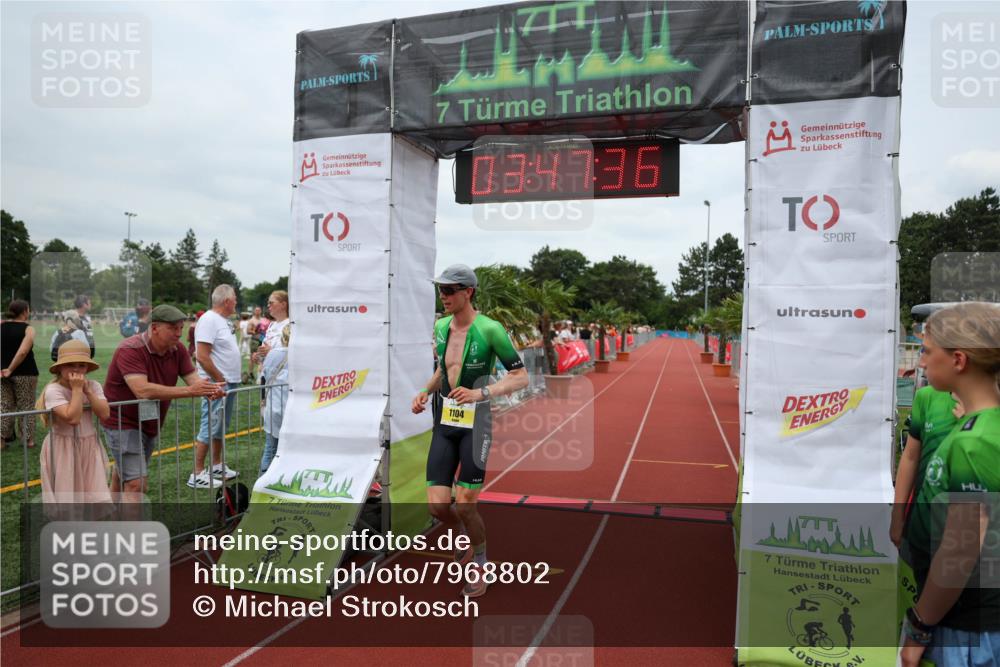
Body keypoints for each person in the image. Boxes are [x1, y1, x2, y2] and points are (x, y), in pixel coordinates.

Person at [411, 264, 529, 598]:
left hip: (476, 424)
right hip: (445, 422)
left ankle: (480, 562)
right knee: (437, 507)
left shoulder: (490, 329)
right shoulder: (441, 326)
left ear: (469, 292)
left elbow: (521, 377)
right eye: (440, 290)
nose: (443, 296)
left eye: (449, 290)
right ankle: (463, 532)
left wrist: (481, 392)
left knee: (464, 503)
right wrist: (425, 391)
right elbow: (443, 369)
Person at [900, 302, 1000, 667]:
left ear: (959, 360)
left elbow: (959, 553)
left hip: (971, 628)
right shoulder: (974, 427)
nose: (922, 362)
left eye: (927, 352)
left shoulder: (975, 441)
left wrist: (918, 627)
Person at [101, 304, 224, 498]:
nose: (179, 333)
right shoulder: (130, 349)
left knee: (125, 472)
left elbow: (194, 379)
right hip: (122, 421)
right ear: (155, 327)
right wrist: (191, 390)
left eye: (181, 328)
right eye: (173, 328)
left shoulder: (178, 350)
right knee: (136, 483)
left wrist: (209, 389)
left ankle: (107, 512)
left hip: (150, 421)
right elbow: (142, 390)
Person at [39, 339, 111, 508]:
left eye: (81, 365)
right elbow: (73, 419)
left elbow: (105, 414)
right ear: (59, 367)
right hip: (63, 448)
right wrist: (77, 390)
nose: (76, 369)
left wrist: (88, 392)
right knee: (68, 496)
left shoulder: (93, 385)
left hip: (89, 445)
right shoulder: (54, 390)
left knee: (95, 493)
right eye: (71, 364)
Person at [890, 386, 962, 548]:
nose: (922, 363)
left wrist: (972, 420)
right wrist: (897, 514)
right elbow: (910, 457)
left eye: (929, 358)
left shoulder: (991, 403)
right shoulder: (926, 396)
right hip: (922, 522)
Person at [188, 285, 242, 489]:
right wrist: (219, 380)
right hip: (217, 383)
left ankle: (216, 465)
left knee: (220, 426)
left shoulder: (223, 321)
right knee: (209, 425)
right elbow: (201, 356)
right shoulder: (209, 319)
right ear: (226, 301)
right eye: (234, 298)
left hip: (226, 382)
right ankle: (197, 472)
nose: (236, 302)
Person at [1, 300, 40, 449]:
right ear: (25, 311)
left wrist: (5, 368)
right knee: (27, 406)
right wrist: (11, 368)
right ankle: (28, 441)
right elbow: (23, 352)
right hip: (26, 373)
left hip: (2, 373)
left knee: (4, 406)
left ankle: (1, 440)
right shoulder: (28, 329)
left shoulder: (1, 327)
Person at [260, 323, 290, 474]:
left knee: (270, 449)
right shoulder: (300, 356)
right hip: (291, 410)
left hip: (272, 407)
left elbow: (264, 378)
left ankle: (262, 482)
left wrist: (262, 399)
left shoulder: (272, 354)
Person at [50, 295, 95, 360]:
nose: (91, 305)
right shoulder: (72, 317)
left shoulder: (87, 318)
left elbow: (90, 335)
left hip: (87, 354)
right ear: (84, 304)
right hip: (76, 355)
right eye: (89, 303)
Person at [255, 290, 289, 365]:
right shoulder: (271, 325)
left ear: (283, 304)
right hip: (268, 373)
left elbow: (294, 354)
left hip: (283, 375)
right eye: (268, 303)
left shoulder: (291, 325)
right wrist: (259, 356)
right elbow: (265, 348)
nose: (268, 305)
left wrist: (271, 352)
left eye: (271, 303)